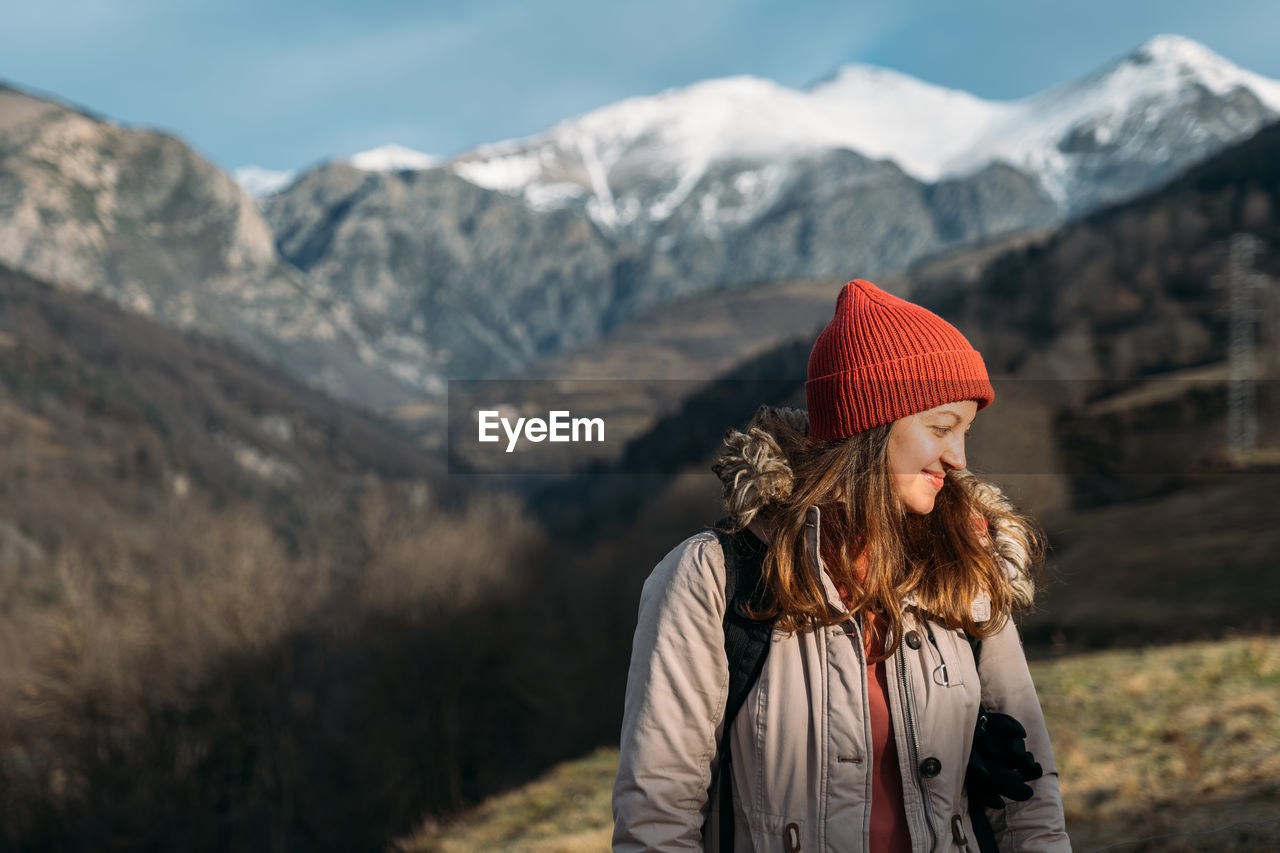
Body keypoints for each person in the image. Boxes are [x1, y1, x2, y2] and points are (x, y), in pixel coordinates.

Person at [612, 280, 1070, 852]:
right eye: (941, 428)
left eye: (965, 432)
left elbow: (1031, 800)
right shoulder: (711, 579)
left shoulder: (966, 568)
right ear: (873, 426)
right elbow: (657, 818)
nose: (959, 459)